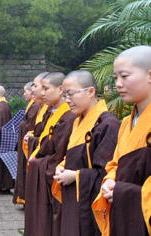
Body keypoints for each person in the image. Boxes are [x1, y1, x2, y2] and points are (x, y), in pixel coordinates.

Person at [51, 70, 120, 236]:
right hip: (73, 197)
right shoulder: (78, 121)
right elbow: (72, 155)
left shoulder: (107, 125)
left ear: (90, 91)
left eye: (71, 94)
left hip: (88, 205)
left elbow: (107, 172)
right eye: (65, 95)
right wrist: (61, 166)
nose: (67, 100)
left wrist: (76, 176)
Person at [92, 46, 151, 236]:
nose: (118, 84)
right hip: (123, 212)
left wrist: (123, 191)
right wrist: (110, 180)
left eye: (124, 76)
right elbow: (116, 162)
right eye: (115, 78)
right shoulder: (126, 122)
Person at [24, 72, 77, 236]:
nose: (39, 92)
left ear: (61, 90)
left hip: (56, 176)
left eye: (45, 88)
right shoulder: (52, 112)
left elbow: (60, 152)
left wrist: (37, 161)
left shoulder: (68, 117)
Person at [13, 81, 41, 205]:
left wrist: (23, 126)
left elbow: (32, 126)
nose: (24, 94)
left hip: (31, 144)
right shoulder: (32, 105)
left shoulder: (35, 106)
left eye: (26, 91)